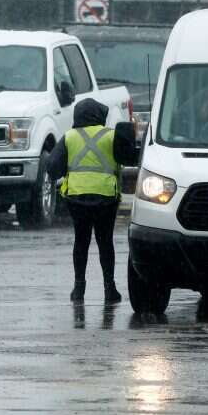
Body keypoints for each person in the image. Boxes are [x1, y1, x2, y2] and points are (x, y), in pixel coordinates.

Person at [47, 98, 125, 305]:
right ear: (99, 116)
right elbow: (128, 157)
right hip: (106, 198)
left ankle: (79, 288)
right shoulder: (111, 136)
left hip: (77, 199)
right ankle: (110, 288)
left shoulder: (69, 137)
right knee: (105, 241)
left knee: (81, 241)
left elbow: (53, 168)